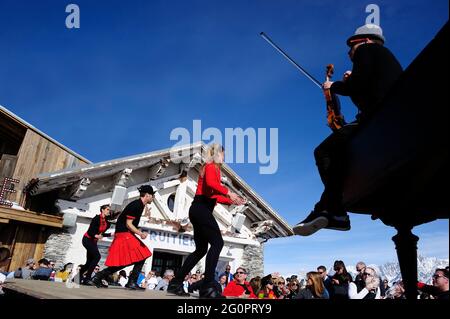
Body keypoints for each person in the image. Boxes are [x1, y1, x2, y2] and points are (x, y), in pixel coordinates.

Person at [293, 23, 403, 236]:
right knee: (342, 147)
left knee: (324, 151)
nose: (350, 53)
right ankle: (330, 207)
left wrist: (333, 86)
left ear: (364, 40)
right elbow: (365, 93)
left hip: (377, 120)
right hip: (389, 117)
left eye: (351, 47)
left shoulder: (367, 49)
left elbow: (357, 87)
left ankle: (334, 209)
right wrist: (349, 83)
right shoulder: (384, 58)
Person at [168, 143, 246, 298]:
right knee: (217, 243)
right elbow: (212, 185)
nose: (224, 157)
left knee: (201, 249)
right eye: (222, 154)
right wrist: (229, 192)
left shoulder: (212, 169)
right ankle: (208, 286)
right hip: (201, 210)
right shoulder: (211, 166)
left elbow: (213, 195)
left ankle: (176, 283)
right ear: (215, 154)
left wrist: (232, 200)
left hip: (198, 209)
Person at [92, 185, 154, 290]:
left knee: (129, 260)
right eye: (152, 195)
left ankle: (99, 276)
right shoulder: (137, 205)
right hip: (124, 234)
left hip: (124, 234)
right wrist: (140, 233)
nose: (153, 198)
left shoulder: (140, 204)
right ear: (147, 195)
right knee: (143, 254)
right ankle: (131, 282)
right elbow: (129, 223)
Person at [79, 204, 113, 285]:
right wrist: (96, 235)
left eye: (109, 210)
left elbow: (101, 234)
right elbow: (90, 231)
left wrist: (110, 234)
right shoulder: (96, 218)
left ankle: (76, 278)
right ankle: (87, 278)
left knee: (89, 262)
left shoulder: (107, 223)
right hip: (87, 239)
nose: (109, 211)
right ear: (102, 210)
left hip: (93, 241)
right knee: (97, 256)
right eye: (107, 209)